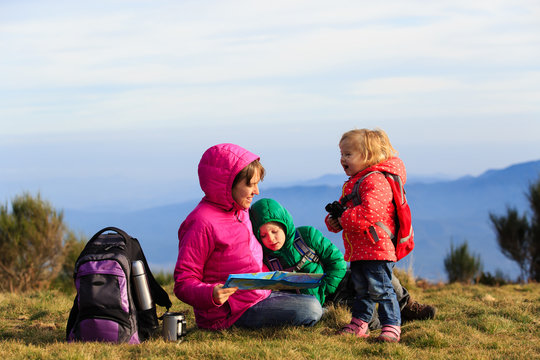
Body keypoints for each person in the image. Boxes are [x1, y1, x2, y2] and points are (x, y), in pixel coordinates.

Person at [173, 143, 322, 331]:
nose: (257, 191)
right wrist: (211, 294)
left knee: (315, 285)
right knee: (311, 308)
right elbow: (183, 282)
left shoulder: (241, 211)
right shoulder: (201, 223)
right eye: (250, 185)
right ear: (228, 183)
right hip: (232, 312)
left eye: (257, 184)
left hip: (259, 293)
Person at [249, 197, 436, 331]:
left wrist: (328, 286)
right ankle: (389, 321)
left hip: (340, 281)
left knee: (379, 276)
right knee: (365, 317)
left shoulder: (306, 235)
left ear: (284, 225)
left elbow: (336, 260)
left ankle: (407, 306)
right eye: (263, 235)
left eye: (274, 231)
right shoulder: (267, 260)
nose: (271, 239)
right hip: (329, 300)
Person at [325, 128, 408, 343]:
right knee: (362, 290)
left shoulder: (376, 180)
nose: (342, 159)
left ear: (368, 156)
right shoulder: (354, 182)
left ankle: (391, 326)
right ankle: (360, 323)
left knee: (381, 289)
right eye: (342, 154)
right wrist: (335, 220)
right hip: (360, 249)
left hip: (377, 249)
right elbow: (347, 211)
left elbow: (371, 212)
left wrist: (343, 218)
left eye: (348, 154)